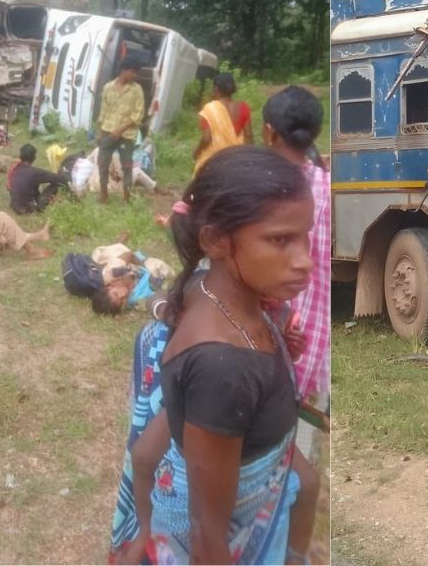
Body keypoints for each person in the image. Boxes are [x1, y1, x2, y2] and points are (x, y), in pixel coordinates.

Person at [140, 146, 316, 564]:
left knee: (307, 482)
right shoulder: (224, 371)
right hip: (226, 543)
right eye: (280, 240)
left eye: (305, 236)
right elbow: (207, 533)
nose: (306, 261)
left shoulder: (209, 287)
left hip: (250, 473)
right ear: (216, 241)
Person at [262, 86, 331, 403]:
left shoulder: (258, 187)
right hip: (313, 343)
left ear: (269, 132)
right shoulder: (329, 187)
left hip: (261, 339)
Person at [94, 56, 147, 203]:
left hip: (127, 134)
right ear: (124, 70)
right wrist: (99, 132)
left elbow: (138, 114)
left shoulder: (137, 90)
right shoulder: (108, 87)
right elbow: (103, 111)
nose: (135, 75)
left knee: (127, 167)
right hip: (107, 132)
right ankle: (103, 196)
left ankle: (126, 198)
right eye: (133, 72)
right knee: (103, 164)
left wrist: (120, 130)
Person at [192, 73, 252, 174]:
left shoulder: (210, 108)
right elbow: (249, 136)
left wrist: (197, 152)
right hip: (236, 158)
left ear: (216, 89)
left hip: (215, 160)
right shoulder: (243, 107)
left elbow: (206, 138)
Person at [8, 143, 68, 214]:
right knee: (55, 184)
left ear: (20, 156)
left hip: (15, 206)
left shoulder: (15, 170)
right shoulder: (34, 172)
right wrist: (63, 173)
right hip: (29, 209)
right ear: (34, 157)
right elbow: (59, 179)